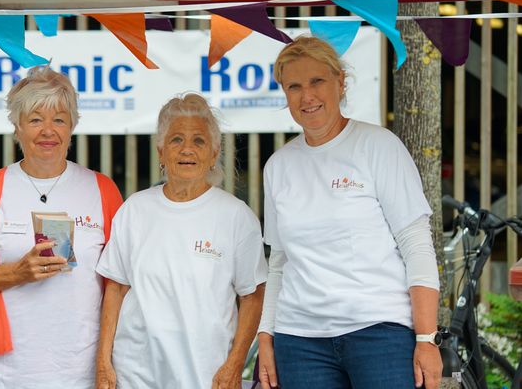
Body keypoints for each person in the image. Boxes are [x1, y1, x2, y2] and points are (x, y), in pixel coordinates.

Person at [257, 36, 443, 389]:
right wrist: (266, 336)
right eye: (294, 86)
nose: (306, 96)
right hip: (300, 341)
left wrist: (426, 338)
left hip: (380, 332)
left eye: (317, 81)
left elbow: (416, 243)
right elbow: (279, 261)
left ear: (340, 82)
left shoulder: (378, 146)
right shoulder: (277, 166)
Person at [0, 66, 123, 388]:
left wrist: (108, 359)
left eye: (59, 120)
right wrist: (16, 272)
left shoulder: (102, 190)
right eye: (35, 119)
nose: (47, 131)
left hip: (81, 366)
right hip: (3, 369)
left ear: (72, 127)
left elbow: (120, 283)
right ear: (17, 127)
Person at [95, 93, 268, 389]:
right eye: (176, 140)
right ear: (161, 151)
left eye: (199, 141)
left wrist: (235, 364)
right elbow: (116, 288)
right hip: (136, 373)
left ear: (214, 153)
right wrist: (103, 363)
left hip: (206, 375)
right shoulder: (135, 209)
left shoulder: (236, 216)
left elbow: (252, 295)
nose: (187, 149)